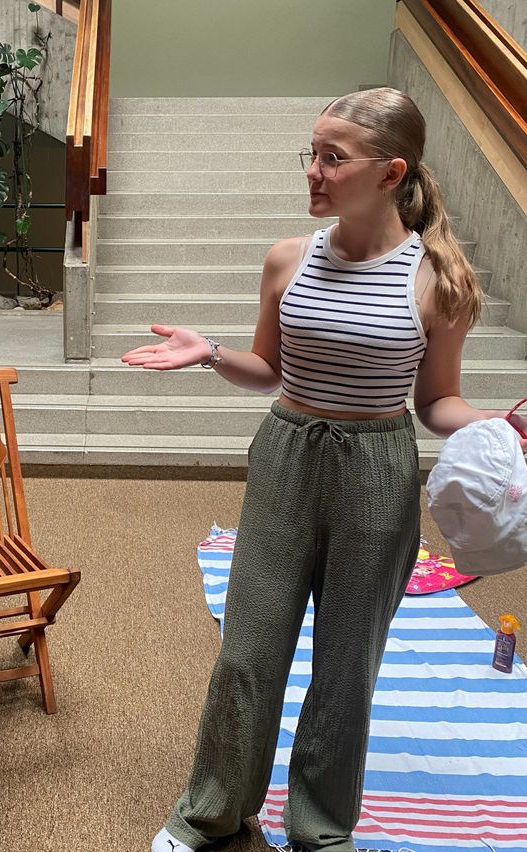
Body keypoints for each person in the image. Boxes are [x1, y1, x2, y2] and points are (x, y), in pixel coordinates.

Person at [122, 88, 527, 852]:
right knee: (248, 649)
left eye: (332, 158)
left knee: (347, 666)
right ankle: (212, 808)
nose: (312, 171)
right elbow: (268, 369)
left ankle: (319, 824)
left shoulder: (438, 279)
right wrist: (208, 351)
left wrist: (499, 423)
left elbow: (437, 402)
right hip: (285, 455)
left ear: (389, 172)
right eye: (310, 153)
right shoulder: (289, 258)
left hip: (378, 469)